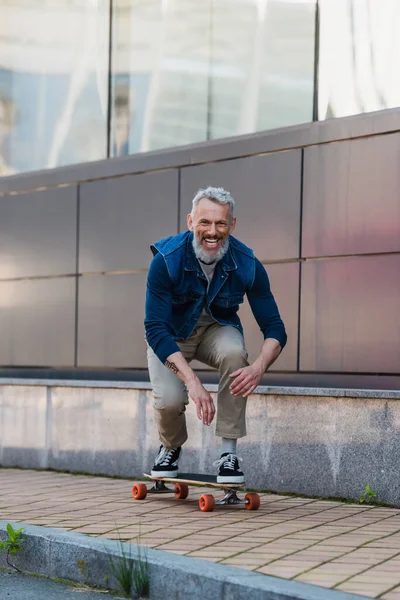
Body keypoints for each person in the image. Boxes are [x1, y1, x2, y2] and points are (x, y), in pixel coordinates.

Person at [144, 186, 287, 483]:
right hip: (171, 338)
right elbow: (155, 328)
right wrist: (193, 383)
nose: (212, 232)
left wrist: (258, 368)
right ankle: (170, 447)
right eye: (204, 223)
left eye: (221, 223)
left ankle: (228, 454)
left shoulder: (247, 263)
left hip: (215, 330)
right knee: (170, 400)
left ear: (232, 225)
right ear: (190, 222)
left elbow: (275, 328)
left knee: (236, 353)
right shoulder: (166, 260)